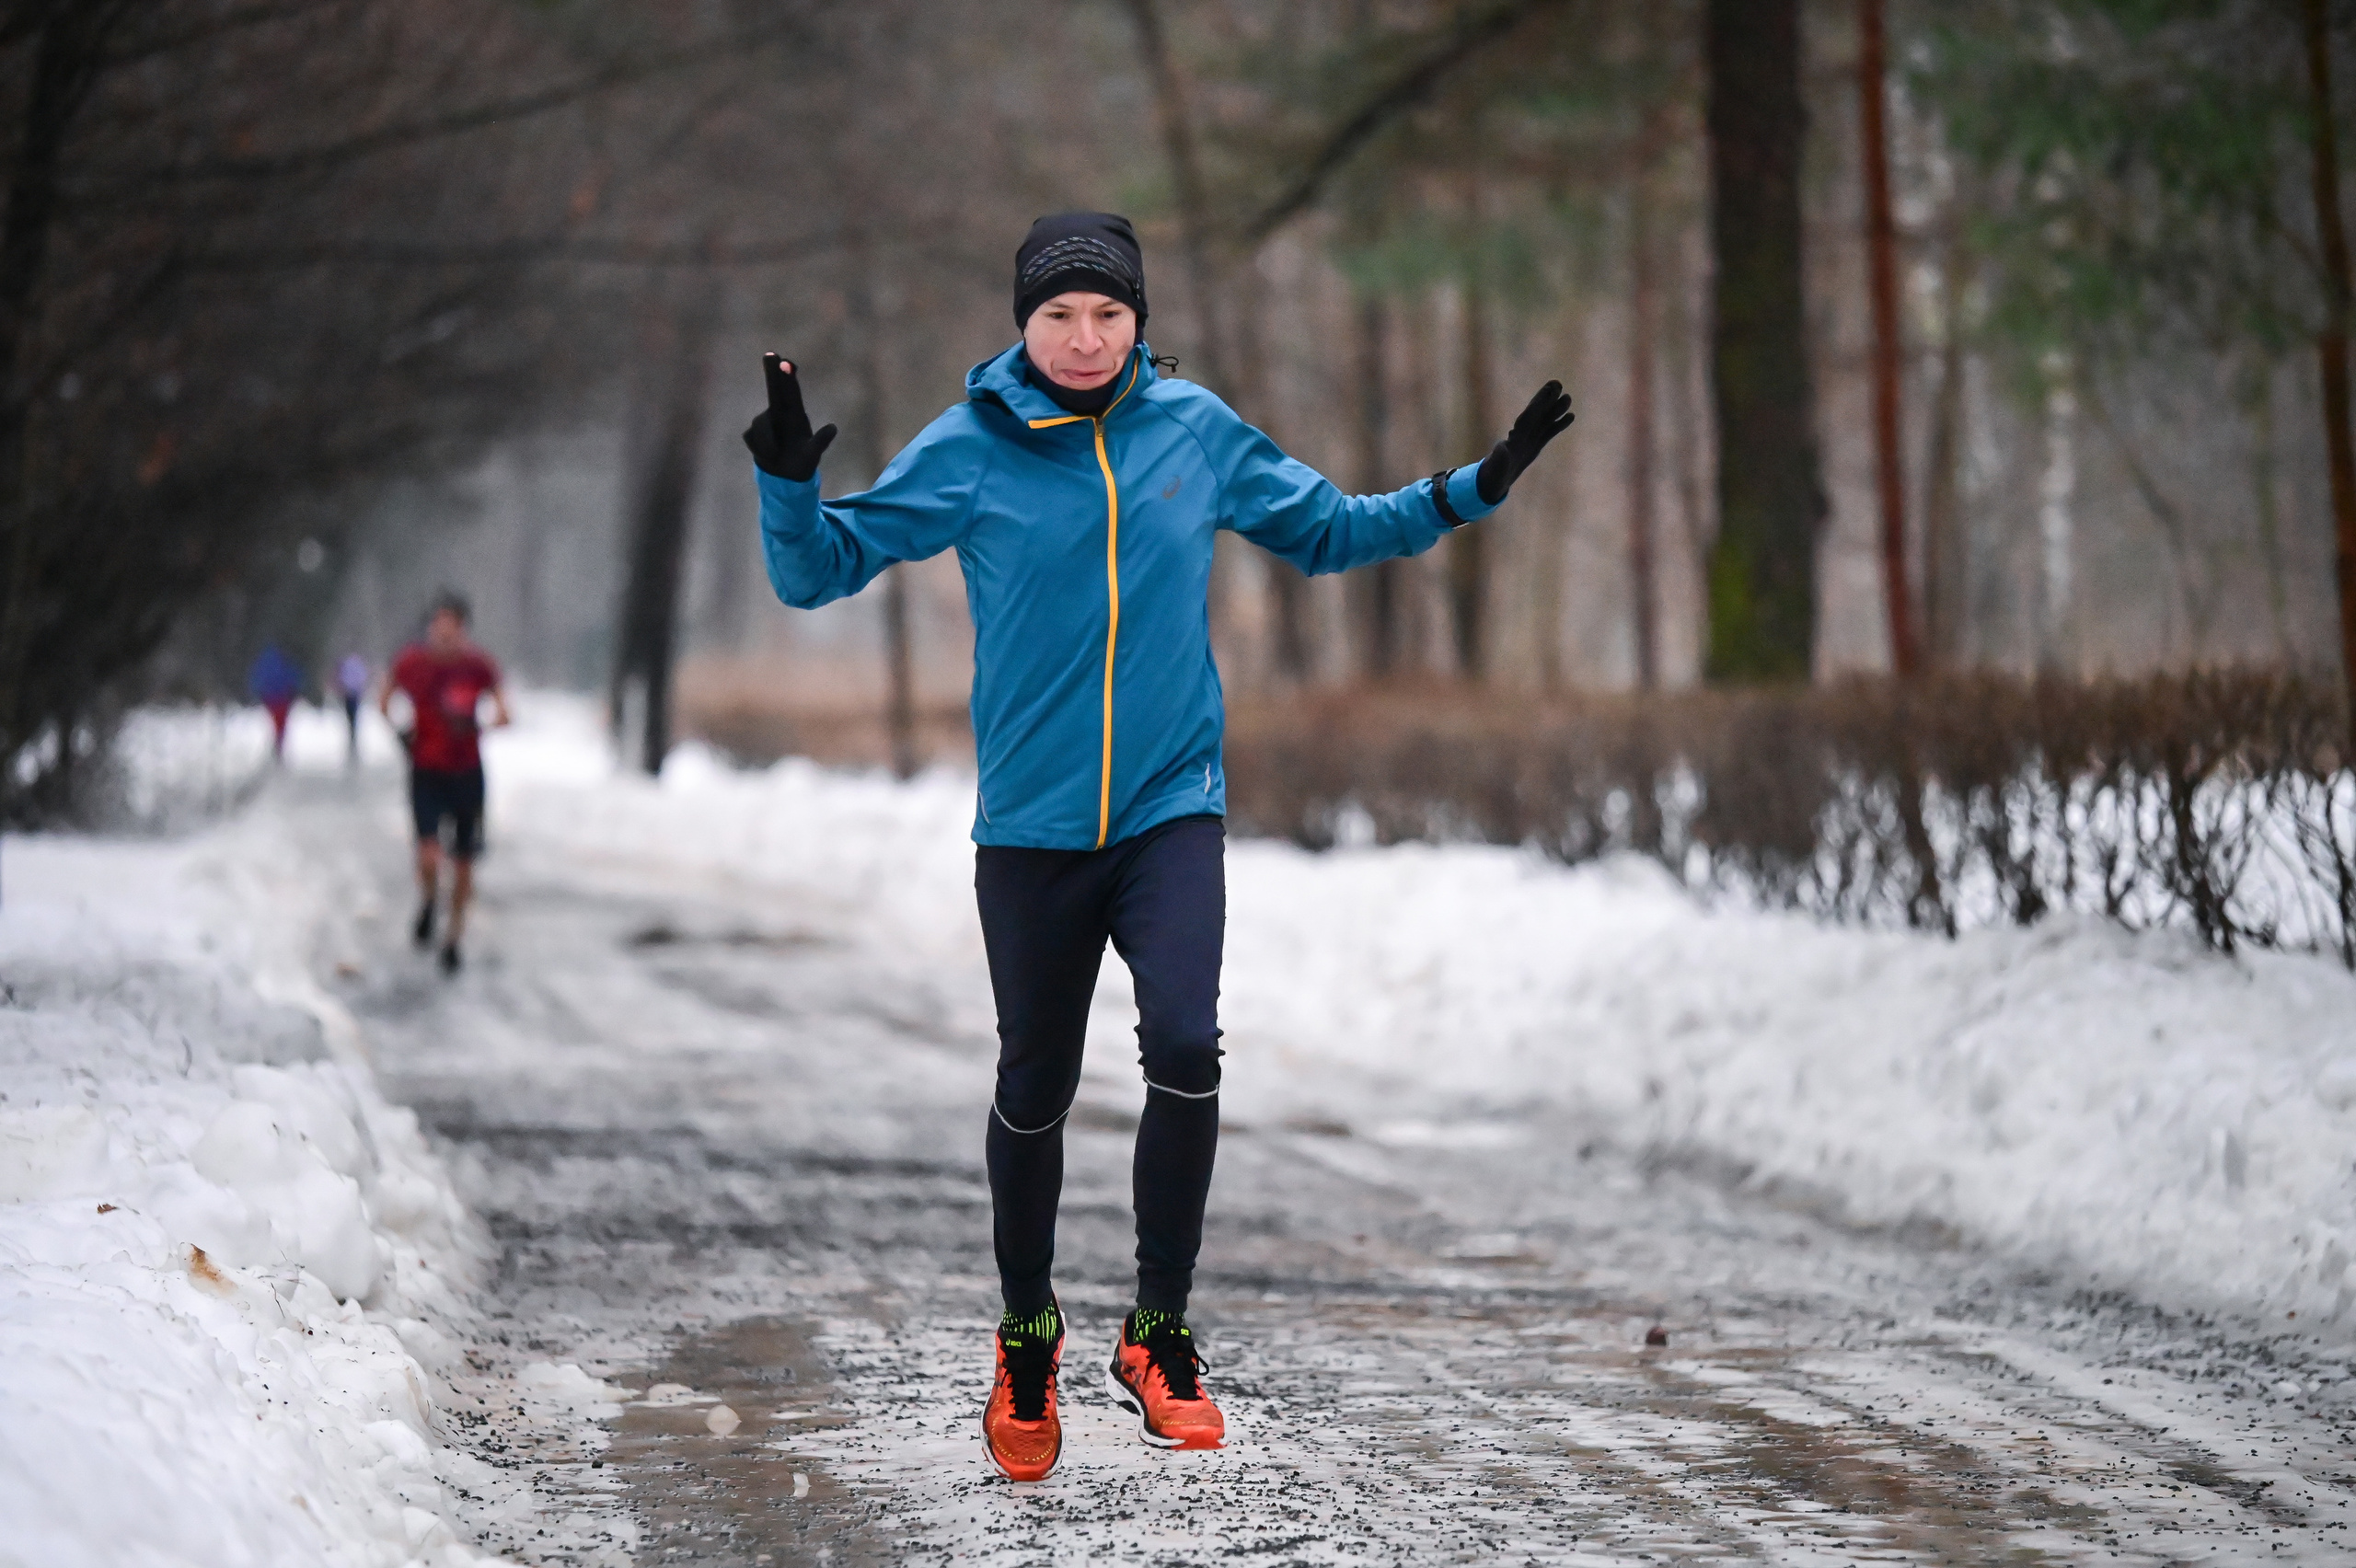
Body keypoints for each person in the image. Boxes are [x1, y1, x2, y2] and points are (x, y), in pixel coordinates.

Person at [745, 212, 1573, 1482]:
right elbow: (819, 574)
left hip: (1169, 808)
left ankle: (1159, 1331)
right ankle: (1029, 1333)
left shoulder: (1195, 431)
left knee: (1187, 1041)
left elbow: (1333, 529)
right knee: (1037, 1085)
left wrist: (1476, 487)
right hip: (1031, 829)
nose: (1086, 339)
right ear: (1023, 325)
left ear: (1139, 321)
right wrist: (791, 486)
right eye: (1060, 316)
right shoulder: (969, 449)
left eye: (1108, 316)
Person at [384, 593, 509, 975]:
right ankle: (428, 899)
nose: (443, 632)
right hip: (426, 771)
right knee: (428, 853)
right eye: (437, 624)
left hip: (467, 772)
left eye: (451, 625)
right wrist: (401, 732)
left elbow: (505, 714)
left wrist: (477, 724)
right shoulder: (412, 663)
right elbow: (384, 699)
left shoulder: (478, 667)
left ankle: (453, 938)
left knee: (465, 861)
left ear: (463, 629)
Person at [246, 644, 302, 762]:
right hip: (283, 698)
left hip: (270, 699)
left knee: (276, 723)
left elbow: (258, 679)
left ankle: (277, 745)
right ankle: (278, 745)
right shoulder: (284, 662)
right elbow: (293, 677)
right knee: (281, 724)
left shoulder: (265, 664)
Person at [334, 651, 370, 764]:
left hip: (350, 694)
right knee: (353, 715)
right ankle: (352, 734)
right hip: (354, 694)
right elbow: (362, 678)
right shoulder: (357, 665)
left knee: (350, 715)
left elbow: (343, 678)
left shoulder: (348, 665)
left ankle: (352, 734)